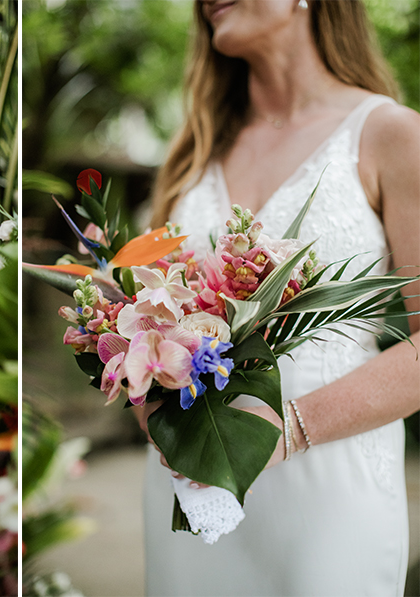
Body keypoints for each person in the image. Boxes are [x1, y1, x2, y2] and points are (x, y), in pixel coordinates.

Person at [137, 1, 420, 595]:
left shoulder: (391, 134)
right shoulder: (194, 151)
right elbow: (145, 317)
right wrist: (139, 383)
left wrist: (286, 430)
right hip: (190, 484)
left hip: (329, 488)